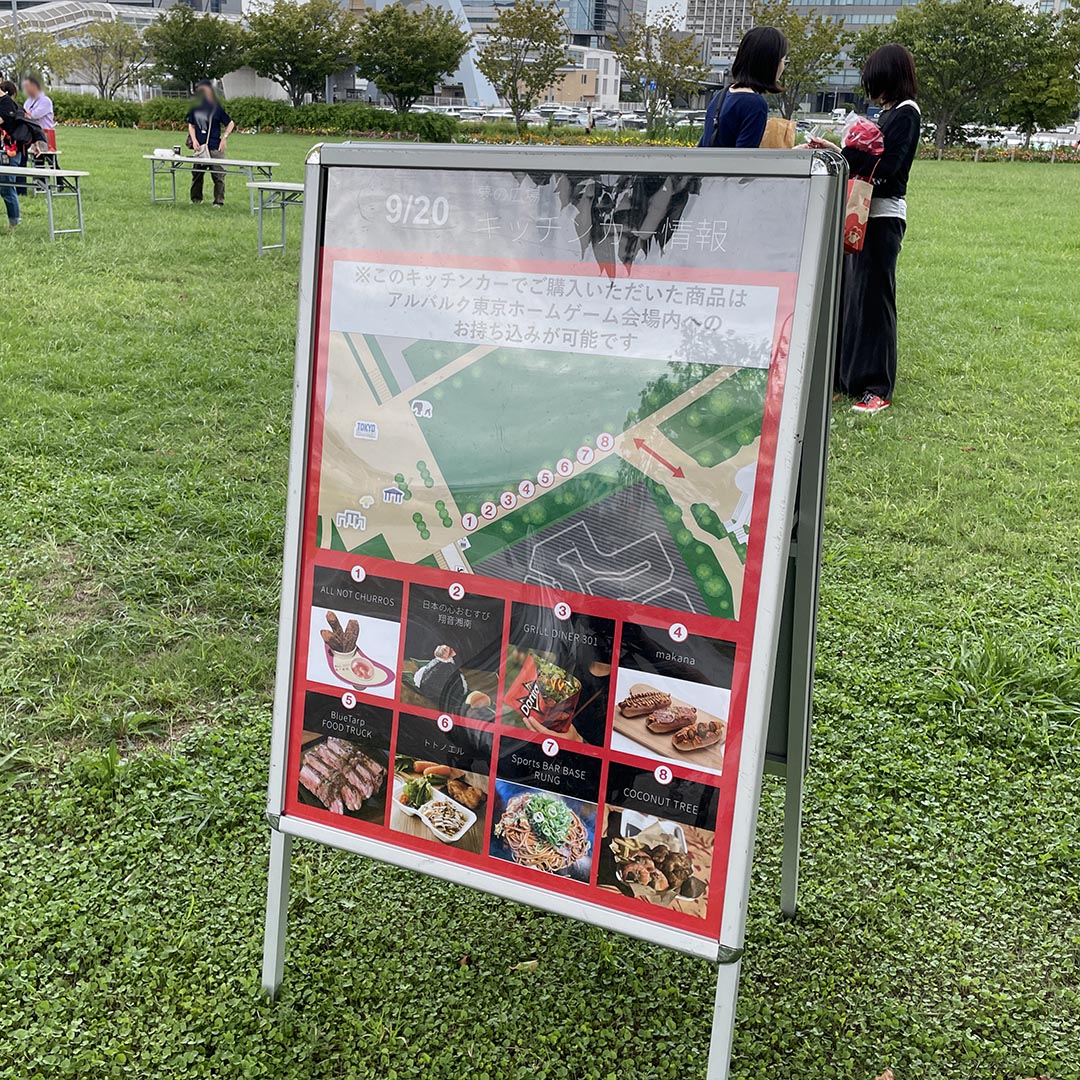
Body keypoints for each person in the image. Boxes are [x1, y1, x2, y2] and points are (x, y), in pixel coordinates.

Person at [807, 44, 920, 414]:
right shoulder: (887, 113)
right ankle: (847, 379)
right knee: (852, 298)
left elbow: (887, 168)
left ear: (888, 77)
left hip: (883, 217)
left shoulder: (906, 113)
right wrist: (836, 150)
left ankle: (877, 387)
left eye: (874, 80)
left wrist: (851, 155)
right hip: (860, 216)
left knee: (875, 302)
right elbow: (866, 160)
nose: (871, 88)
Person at [699, 27, 788, 148]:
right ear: (771, 63)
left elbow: (704, 144)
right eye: (783, 61)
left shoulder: (721, 95)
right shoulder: (755, 104)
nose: (783, 67)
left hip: (707, 161)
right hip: (730, 162)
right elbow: (745, 156)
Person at [186, 81, 234, 207]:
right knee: (197, 175)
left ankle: (218, 201)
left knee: (218, 176)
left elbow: (230, 123)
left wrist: (224, 138)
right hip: (200, 148)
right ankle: (196, 199)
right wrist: (194, 140)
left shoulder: (216, 108)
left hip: (215, 147)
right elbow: (191, 125)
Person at [22, 76, 55, 152]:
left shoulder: (45, 101)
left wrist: (27, 114)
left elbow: (34, 115)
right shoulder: (28, 101)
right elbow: (24, 115)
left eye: (27, 86)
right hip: (31, 133)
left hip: (44, 134)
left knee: (44, 156)